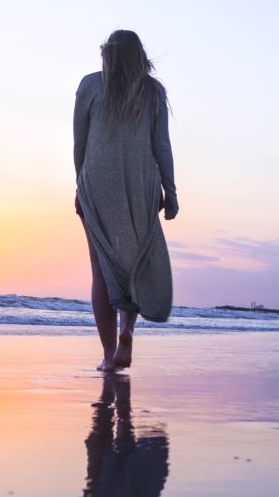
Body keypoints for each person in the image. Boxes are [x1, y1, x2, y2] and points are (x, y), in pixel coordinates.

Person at [73, 29, 179, 372]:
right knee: (134, 264)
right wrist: (171, 191)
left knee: (101, 271)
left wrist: (80, 186)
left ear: (107, 54)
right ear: (140, 56)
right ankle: (127, 333)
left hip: (98, 183)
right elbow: (161, 145)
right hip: (140, 185)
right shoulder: (152, 92)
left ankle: (108, 355)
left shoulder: (90, 85)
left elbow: (80, 143)